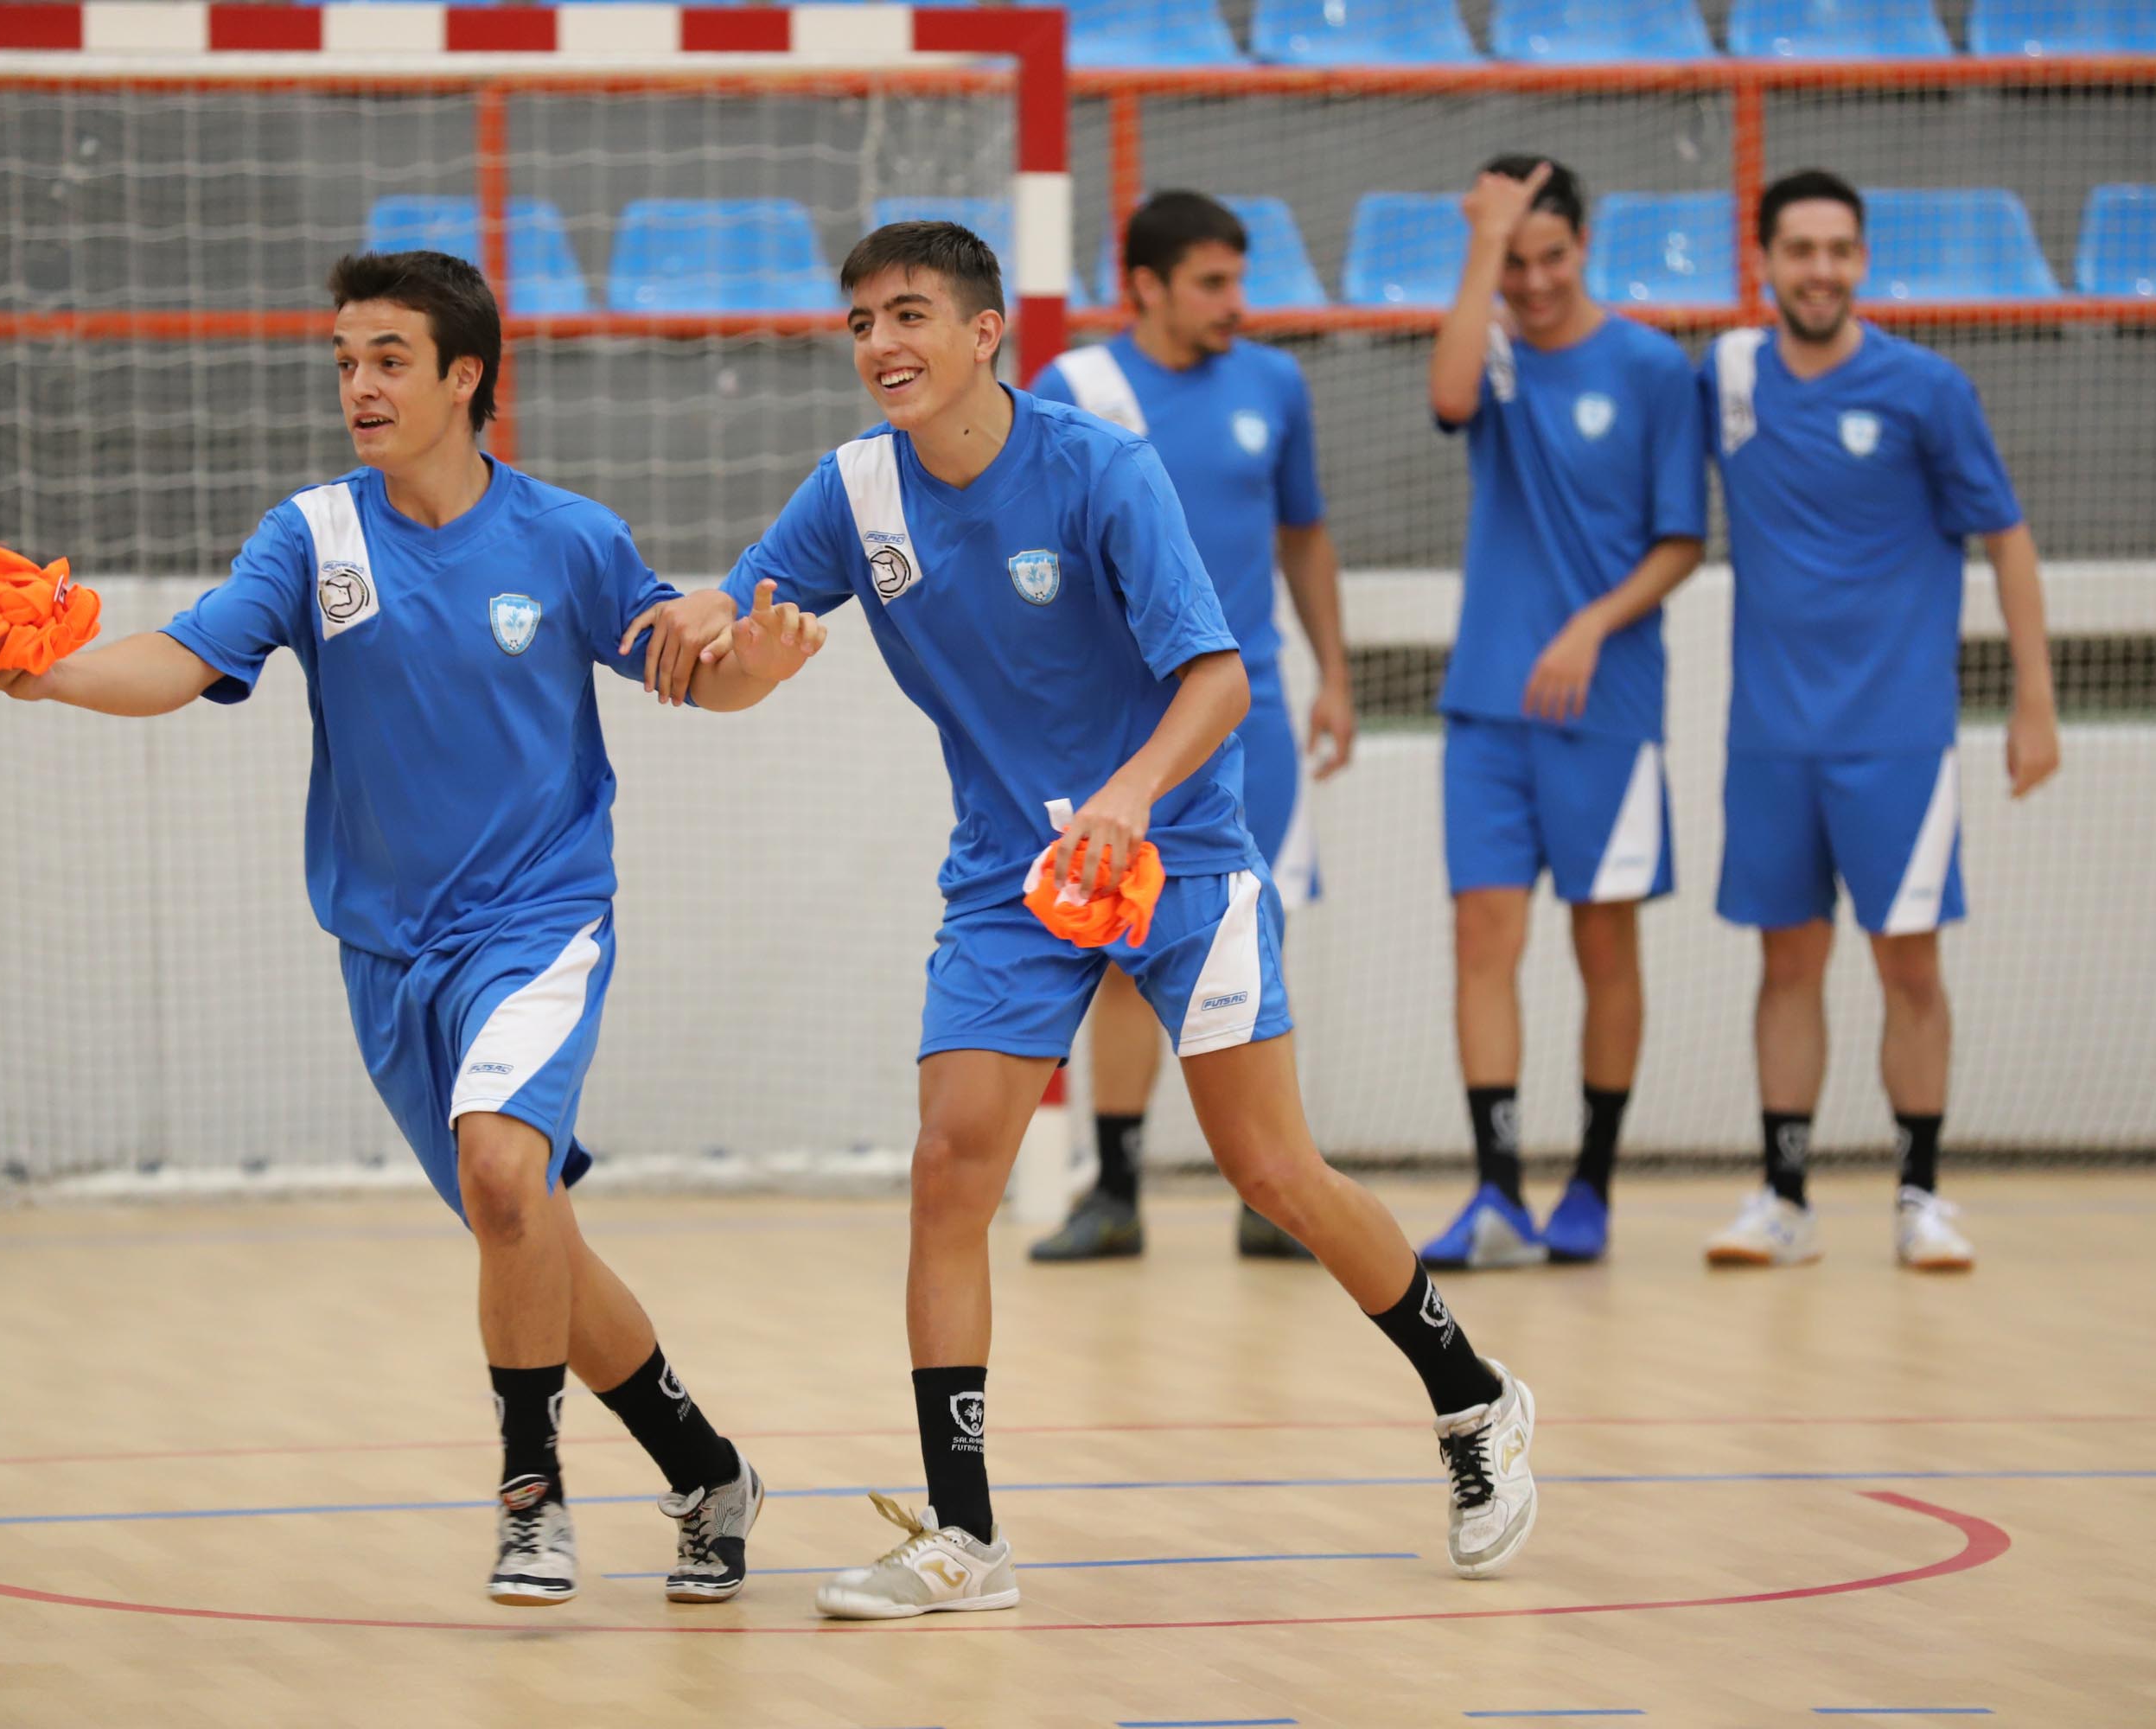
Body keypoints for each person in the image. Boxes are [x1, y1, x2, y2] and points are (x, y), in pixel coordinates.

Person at [654, 220, 1539, 1620]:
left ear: (985, 332)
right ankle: (966, 1536)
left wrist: (1127, 797)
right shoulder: (855, 494)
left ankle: (1475, 1402)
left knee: (1274, 1173)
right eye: (861, 325)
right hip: (1015, 877)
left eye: (910, 316)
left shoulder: (1101, 472)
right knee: (952, 1167)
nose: (882, 345)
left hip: (1180, 854)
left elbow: (1221, 683)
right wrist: (728, 642)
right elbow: (748, 649)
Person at [0, 250, 830, 1607]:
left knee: (500, 1176)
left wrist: (751, 676)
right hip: (386, 956)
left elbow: (692, 672)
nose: (358, 385)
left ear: (464, 376)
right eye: (345, 360)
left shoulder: (569, 537)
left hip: (540, 920)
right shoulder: (310, 536)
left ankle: (530, 1498)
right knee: (525, 1226)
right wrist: (52, 673)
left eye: (389, 360)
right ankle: (711, 1474)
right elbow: (185, 660)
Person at [1698, 169, 2061, 1271]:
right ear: (1764, 262)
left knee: (1909, 965)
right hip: (1768, 735)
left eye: (1839, 250)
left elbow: (2007, 538)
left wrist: (2033, 699)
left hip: (1897, 737)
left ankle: (1920, 1197)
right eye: (1799, 249)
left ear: (1862, 261)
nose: (1820, 269)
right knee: (1787, 965)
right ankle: (1784, 1198)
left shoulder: (1927, 388)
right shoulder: (1725, 375)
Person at [1026, 188, 1353, 1263]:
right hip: (1125, 731)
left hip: (1243, 714)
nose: (1235, 302)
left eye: (1239, 278)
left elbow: (1304, 536)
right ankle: (1113, 1188)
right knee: (1124, 946)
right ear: (1146, 287)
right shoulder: (1077, 387)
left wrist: (1334, 676)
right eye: (1212, 282)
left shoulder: (1277, 382)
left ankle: (1272, 1189)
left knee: (1255, 943)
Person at [1419, 156, 1708, 1271]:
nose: (1534, 283)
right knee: (1482, 939)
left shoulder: (1647, 365)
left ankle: (1592, 1182)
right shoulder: (1486, 350)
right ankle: (1497, 1190)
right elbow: (1446, 399)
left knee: (1605, 941)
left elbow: (1683, 537)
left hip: (1608, 702)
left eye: (1551, 257)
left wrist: (1593, 623)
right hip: (1487, 702)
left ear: (1584, 247)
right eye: (1514, 260)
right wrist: (1480, 247)